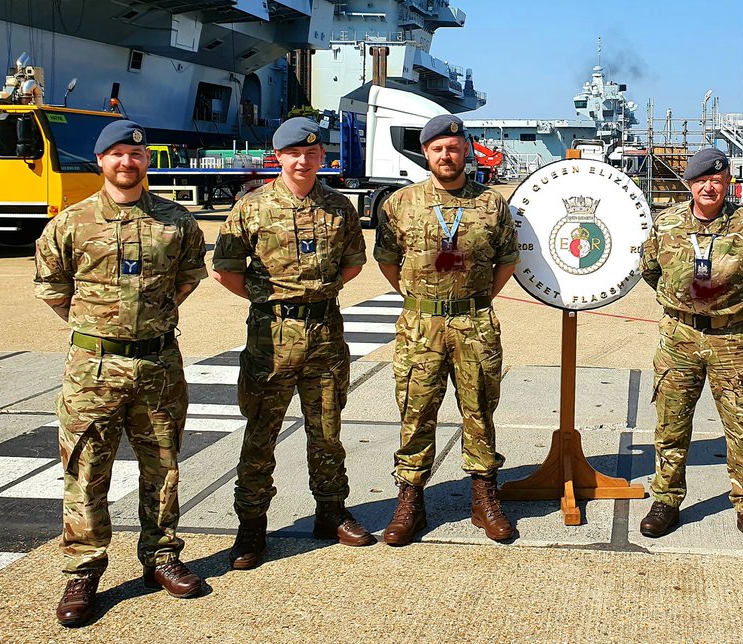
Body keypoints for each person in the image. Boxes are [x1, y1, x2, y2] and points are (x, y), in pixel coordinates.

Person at [34, 119, 208, 626]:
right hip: (94, 368)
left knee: (163, 466)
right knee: (86, 468)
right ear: (101, 161)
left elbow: (188, 278)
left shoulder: (177, 223)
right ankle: (83, 571)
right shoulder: (70, 223)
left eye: (136, 155)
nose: (127, 162)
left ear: (146, 161)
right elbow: (53, 288)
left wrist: (145, 325)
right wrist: (102, 332)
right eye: (116, 154)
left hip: (158, 364)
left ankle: (161, 557)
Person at [211, 117, 374, 571]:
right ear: (278, 157)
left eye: (312, 153)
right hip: (271, 339)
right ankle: (251, 527)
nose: (303, 161)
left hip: (325, 335)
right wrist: (273, 302)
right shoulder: (251, 208)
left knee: (326, 432)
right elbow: (225, 269)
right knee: (260, 436)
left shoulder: (340, 208)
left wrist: (310, 300)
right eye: (293, 154)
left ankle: (331, 511)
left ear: (322, 157)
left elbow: (352, 265)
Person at [374, 114, 519, 545]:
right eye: (437, 148)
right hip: (421, 324)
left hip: (474, 321)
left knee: (479, 410)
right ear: (426, 153)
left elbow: (507, 259)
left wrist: (476, 301)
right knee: (416, 411)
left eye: (453, 148)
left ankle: (483, 499)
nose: (446, 155)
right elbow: (386, 259)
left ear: (465, 150)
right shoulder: (400, 203)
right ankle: (410, 502)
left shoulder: (491, 203)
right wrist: (418, 299)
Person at [638, 148, 743, 547]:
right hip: (679, 339)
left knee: (742, 426)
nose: (710, 187)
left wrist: (739, 307)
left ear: (727, 183)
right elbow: (650, 269)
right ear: (689, 183)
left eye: (717, 181)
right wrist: (686, 305)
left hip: (733, 339)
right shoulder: (666, 224)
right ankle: (666, 499)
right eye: (702, 180)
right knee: (671, 424)